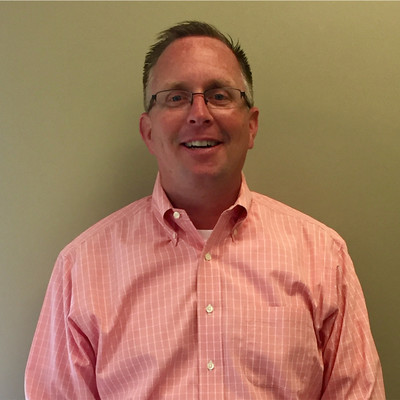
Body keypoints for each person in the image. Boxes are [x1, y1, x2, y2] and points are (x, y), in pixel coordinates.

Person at [25, 21, 385, 399]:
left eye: (219, 95)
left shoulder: (324, 258)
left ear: (251, 126)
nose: (199, 113)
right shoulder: (82, 269)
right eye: (176, 97)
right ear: (148, 132)